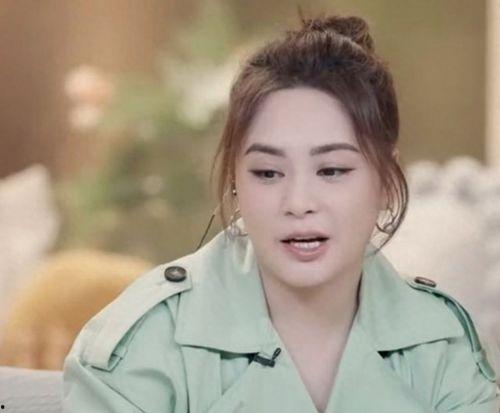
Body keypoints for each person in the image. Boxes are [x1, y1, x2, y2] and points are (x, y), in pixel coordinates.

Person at [62, 11, 499, 413]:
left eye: (331, 170)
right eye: (268, 173)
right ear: (236, 180)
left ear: (386, 181)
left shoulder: (442, 343)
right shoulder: (148, 342)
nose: (298, 202)